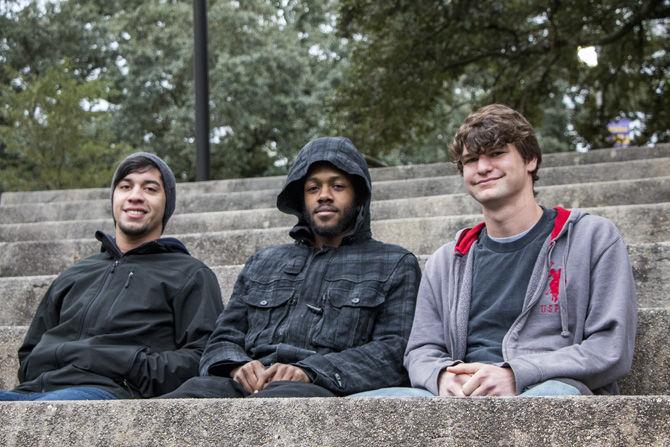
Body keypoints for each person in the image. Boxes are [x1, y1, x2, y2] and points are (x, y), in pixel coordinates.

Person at [397, 104, 636, 398]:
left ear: (530, 160)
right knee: (365, 406)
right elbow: (422, 350)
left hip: (550, 388)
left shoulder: (593, 238)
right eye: (471, 160)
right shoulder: (446, 260)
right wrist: (442, 376)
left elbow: (609, 348)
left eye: (496, 153)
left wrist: (516, 375)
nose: (483, 167)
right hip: (464, 395)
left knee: (549, 399)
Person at [162, 136, 421, 399]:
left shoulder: (394, 263)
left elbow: (393, 350)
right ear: (301, 198)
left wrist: (310, 371)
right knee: (180, 400)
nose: (324, 196)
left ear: (358, 197)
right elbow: (223, 336)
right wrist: (236, 365)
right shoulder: (263, 262)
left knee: (278, 404)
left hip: (322, 388)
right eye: (312, 188)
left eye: (338, 186)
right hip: (246, 384)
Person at [0, 152, 223, 401]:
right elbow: (30, 351)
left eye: (150, 189)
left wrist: (132, 364)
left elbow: (204, 356)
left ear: (166, 204)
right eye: (125, 186)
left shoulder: (190, 274)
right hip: (33, 391)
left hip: (105, 392)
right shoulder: (75, 273)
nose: (135, 196)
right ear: (114, 198)